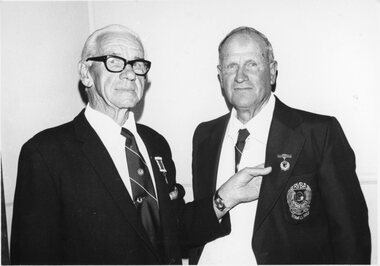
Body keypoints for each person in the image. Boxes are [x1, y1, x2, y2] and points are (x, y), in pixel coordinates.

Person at [10, 24, 271, 265]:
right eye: (114, 62)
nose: (128, 73)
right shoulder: (46, 153)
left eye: (137, 64)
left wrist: (226, 196)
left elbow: (174, 233)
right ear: (86, 73)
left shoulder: (155, 143)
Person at [189, 26, 371, 264]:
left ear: (272, 72)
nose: (240, 76)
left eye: (252, 64)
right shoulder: (205, 136)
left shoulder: (318, 133)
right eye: (231, 66)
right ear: (220, 75)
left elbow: (350, 237)